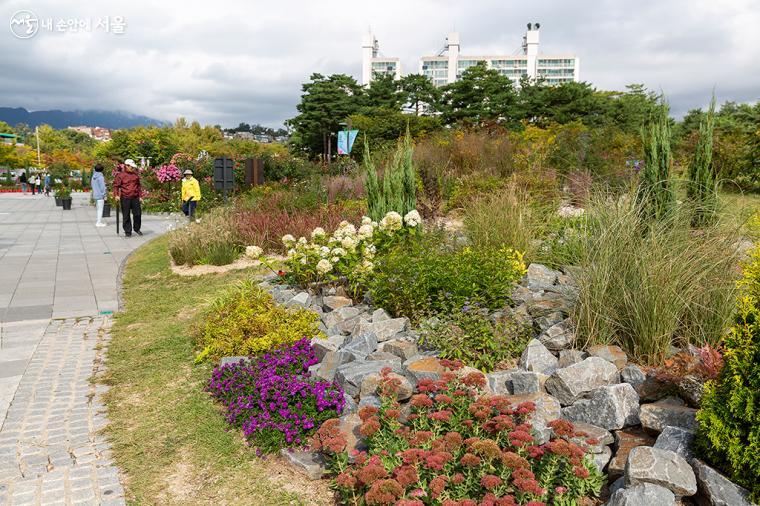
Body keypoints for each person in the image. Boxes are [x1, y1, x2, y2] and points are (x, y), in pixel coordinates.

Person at [113, 159, 142, 237]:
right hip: (125, 197)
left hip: (135, 197)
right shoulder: (120, 175)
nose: (133, 168)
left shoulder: (136, 175)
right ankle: (128, 231)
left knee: (138, 214)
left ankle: (137, 228)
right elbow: (116, 186)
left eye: (133, 167)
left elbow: (138, 187)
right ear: (126, 166)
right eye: (131, 167)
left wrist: (140, 196)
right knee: (126, 215)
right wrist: (116, 195)